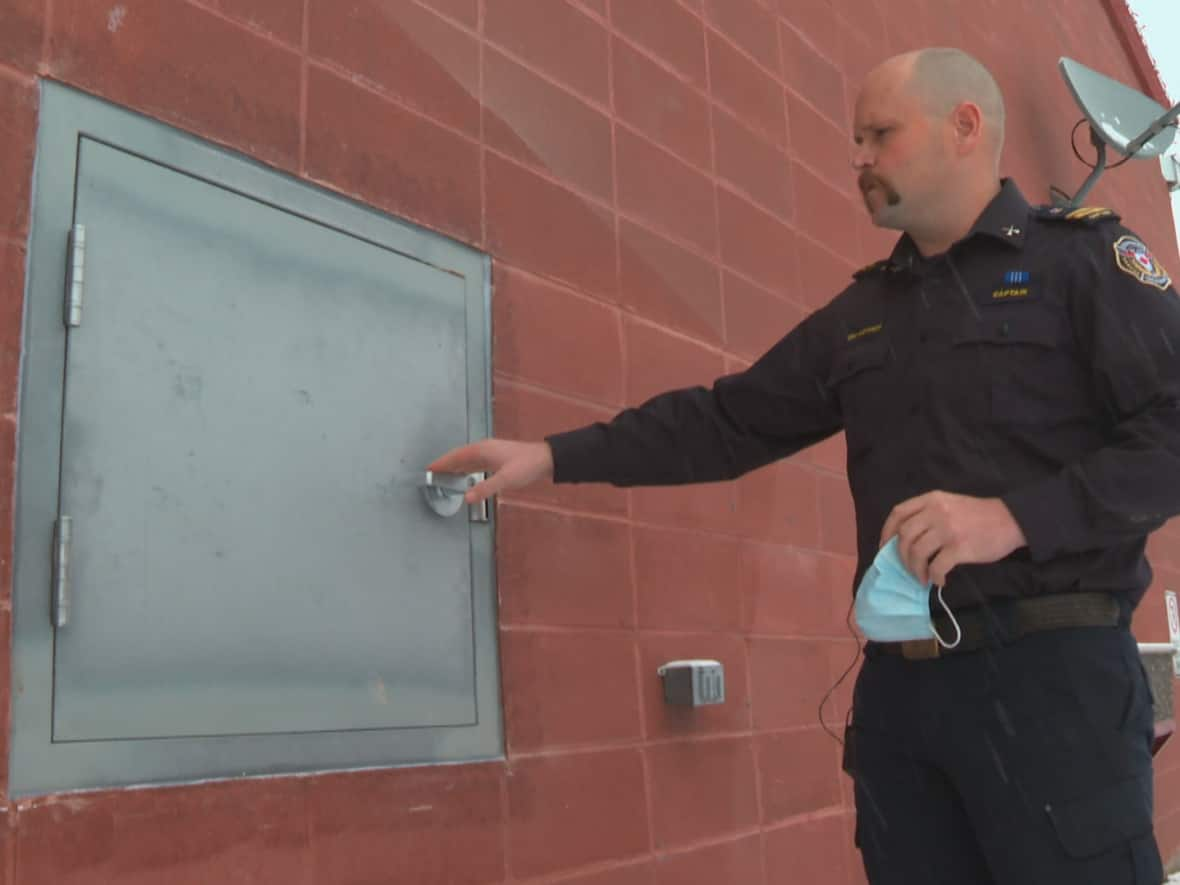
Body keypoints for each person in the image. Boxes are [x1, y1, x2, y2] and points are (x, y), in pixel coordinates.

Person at [430, 47, 1180, 884]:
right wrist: (550, 455)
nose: (857, 157)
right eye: (855, 138)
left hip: (1053, 688)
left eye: (880, 134)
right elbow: (726, 421)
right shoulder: (863, 313)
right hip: (905, 696)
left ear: (965, 127)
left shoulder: (1080, 265)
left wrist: (1012, 518)